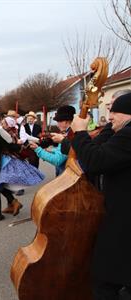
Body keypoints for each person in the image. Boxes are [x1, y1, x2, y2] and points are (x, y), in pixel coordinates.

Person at [70, 92, 131, 300]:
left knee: (104, 281)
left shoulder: (128, 135)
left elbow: (95, 161)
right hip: (121, 218)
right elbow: (103, 148)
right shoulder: (122, 133)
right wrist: (105, 129)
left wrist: (79, 133)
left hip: (122, 221)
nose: (109, 115)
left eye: (114, 111)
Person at [0, 117, 45, 215]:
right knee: (6, 181)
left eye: (4, 122)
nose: (2, 123)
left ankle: (13, 202)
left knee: (3, 181)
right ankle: (11, 204)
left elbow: (13, 143)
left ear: (8, 124)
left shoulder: (9, 132)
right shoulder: (9, 131)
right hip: (8, 157)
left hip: (9, 158)